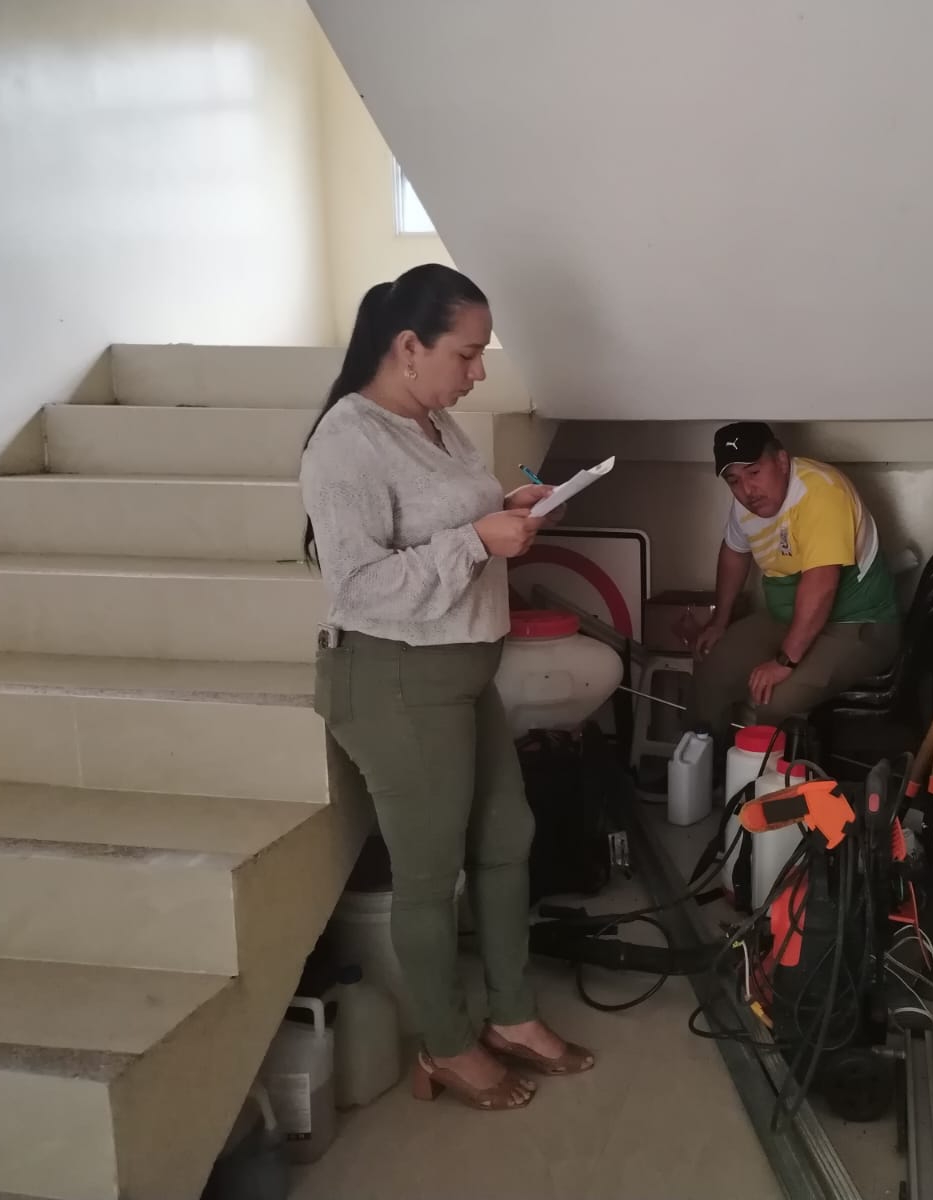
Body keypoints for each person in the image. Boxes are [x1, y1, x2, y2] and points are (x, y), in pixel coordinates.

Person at [300, 264, 592, 1113]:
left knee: (506, 837)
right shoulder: (346, 441)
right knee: (430, 874)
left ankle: (511, 1014)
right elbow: (359, 585)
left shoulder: (433, 421)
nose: (479, 371)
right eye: (466, 353)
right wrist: (477, 540)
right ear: (408, 346)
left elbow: (446, 517)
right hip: (396, 677)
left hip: (462, 670)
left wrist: (513, 506)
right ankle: (447, 1045)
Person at [689, 421, 902, 740]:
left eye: (754, 472)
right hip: (788, 618)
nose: (747, 490)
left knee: (775, 699)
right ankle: (704, 765)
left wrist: (784, 662)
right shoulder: (749, 503)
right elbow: (735, 552)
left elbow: (822, 585)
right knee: (713, 669)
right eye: (734, 480)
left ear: (782, 461)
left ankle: (764, 772)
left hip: (857, 624)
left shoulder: (822, 492)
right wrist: (720, 620)